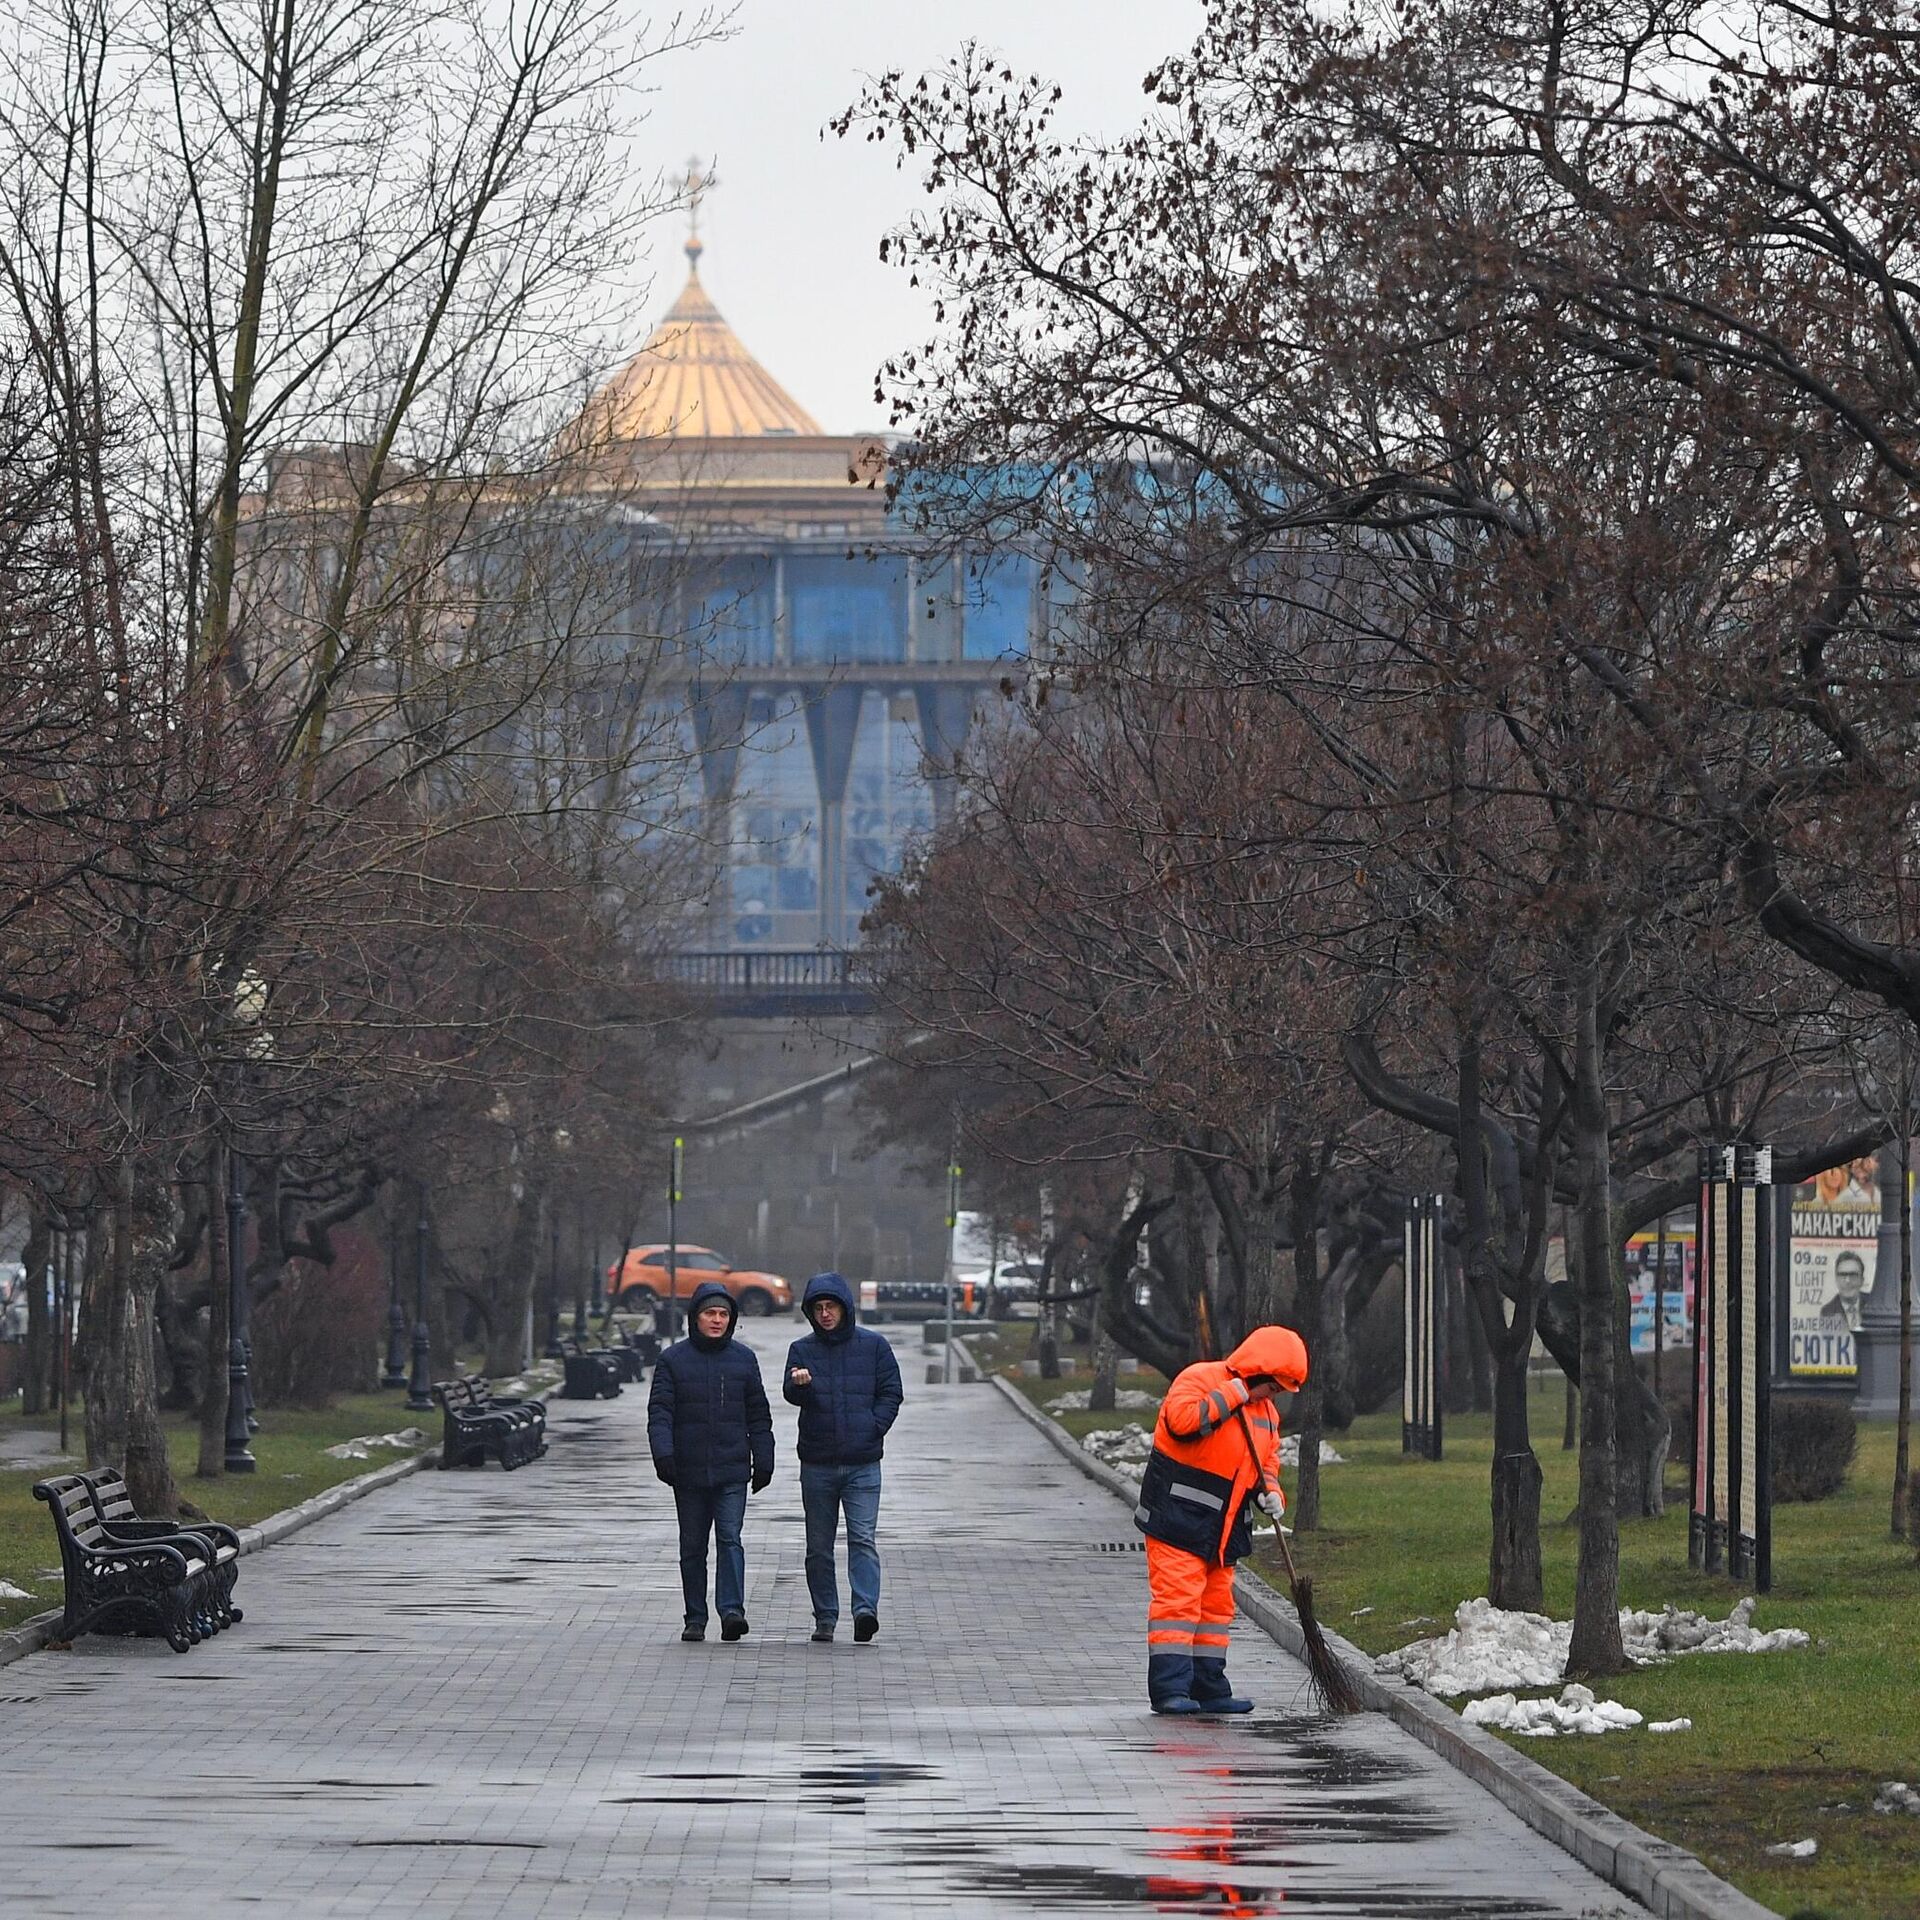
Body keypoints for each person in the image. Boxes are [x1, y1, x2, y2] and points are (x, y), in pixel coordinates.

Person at [1134, 1324, 1309, 1715]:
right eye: (1274, 1386)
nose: (1275, 1396)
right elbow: (1183, 1423)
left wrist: (1271, 1492)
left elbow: (1267, 1460)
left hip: (1223, 1530)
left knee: (1215, 1611)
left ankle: (1210, 1688)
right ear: (1258, 1372)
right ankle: (1170, 1691)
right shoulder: (1199, 1379)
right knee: (1178, 1605)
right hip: (1177, 1520)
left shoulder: (1265, 1412)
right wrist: (1237, 1393)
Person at [647, 1281, 774, 1643]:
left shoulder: (743, 1360)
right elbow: (660, 1412)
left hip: (732, 1467)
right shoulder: (673, 1360)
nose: (717, 1320)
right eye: (709, 1314)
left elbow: (758, 1414)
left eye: (723, 1314)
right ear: (695, 1318)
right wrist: (663, 1453)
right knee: (692, 1545)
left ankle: (732, 1611)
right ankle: (695, 1617)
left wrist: (763, 1458)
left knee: (730, 1539)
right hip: (687, 1469)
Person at [783, 1271, 904, 1644]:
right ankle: (825, 1617)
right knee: (818, 1547)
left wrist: (872, 1426)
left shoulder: (874, 1346)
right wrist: (799, 1385)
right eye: (817, 1308)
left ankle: (865, 1610)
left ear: (844, 1308)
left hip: (863, 1463)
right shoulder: (802, 1350)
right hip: (817, 1463)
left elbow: (891, 1393)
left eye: (830, 1306)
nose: (824, 1314)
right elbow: (790, 1392)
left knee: (862, 1538)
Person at [1818, 1249, 1869, 1332]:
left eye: (1853, 1275)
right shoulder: (1827, 1312)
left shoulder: (1874, 1303)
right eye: (1842, 1275)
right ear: (1836, 1280)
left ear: (1862, 1280)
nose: (1847, 1281)